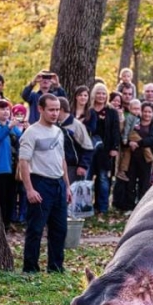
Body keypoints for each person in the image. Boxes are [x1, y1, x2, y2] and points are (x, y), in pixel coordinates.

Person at [18, 94, 71, 273]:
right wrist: (30, 189)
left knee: (60, 229)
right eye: (51, 109)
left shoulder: (58, 131)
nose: (55, 113)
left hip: (58, 184)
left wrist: (67, 185)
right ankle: (30, 268)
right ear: (40, 109)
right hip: (40, 183)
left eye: (57, 110)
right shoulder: (31, 133)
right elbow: (23, 161)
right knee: (36, 229)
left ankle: (56, 267)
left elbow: (62, 158)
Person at [85, 83, 120, 214]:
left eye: (103, 93)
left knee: (103, 178)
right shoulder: (89, 111)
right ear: (94, 94)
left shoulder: (111, 111)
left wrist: (115, 147)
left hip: (105, 150)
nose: (101, 96)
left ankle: (102, 207)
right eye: (98, 93)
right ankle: (85, 206)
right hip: (89, 150)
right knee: (87, 178)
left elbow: (116, 131)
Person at [0, 99, 22, 231]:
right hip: (0, 166)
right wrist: (7, 127)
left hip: (13, 166)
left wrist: (24, 128)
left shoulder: (11, 124)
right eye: (2, 109)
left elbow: (21, 138)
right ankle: (1, 223)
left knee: (11, 195)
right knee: (1, 196)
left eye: (8, 109)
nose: (6, 112)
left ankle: (8, 222)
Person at [57, 96, 94, 183]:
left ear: (61, 109)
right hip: (58, 166)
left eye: (55, 109)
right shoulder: (55, 125)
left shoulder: (76, 125)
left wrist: (83, 165)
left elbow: (88, 147)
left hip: (73, 167)